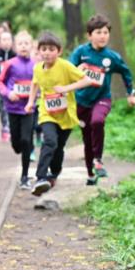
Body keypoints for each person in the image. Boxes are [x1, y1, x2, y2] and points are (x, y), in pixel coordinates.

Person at [69, 14, 135, 185]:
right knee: (87, 139)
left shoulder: (112, 57)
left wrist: (131, 93)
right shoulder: (81, 52)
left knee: (97, 121)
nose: (102, 36)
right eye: (98, 32)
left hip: (102, 99)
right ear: (89, 35)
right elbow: (68, 71)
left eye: (106, 32)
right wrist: (78, 68)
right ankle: (91, 174)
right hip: (82, 101)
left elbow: (125, 72)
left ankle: (98, 160)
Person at [25, 31, 95, 196]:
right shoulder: (37, 68)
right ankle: (41, 177)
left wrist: (66, 89)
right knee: (49, 141)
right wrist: (30, 102)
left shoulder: (64, 66)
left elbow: (87, 80)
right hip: (47, 113)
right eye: (44, 49)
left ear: (59, 51)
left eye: (51, 49)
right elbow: (35, 84)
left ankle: (54, 173)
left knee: (58, 148)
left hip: (66, 114)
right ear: (39, 51)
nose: (47, 52)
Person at [0, 30, 37, 189]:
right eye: (20, 44)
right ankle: (17, 146)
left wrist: (38, 94)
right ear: (15, 46)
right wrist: (8, 93)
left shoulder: (36, 65)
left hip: (28, 109)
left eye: (26, 43)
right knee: (16, 144)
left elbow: (40, 83)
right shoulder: (10, 64)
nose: (23, 46)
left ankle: (25, 176)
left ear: (31, 45)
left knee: (27, 141)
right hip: (13, 108)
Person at [0, 29, 15, 142]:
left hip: (12, 87)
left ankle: (11, 127)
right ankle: (5, 127)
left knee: (11, 107)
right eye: (4, 39)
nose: (6, 42)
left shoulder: (15, 55)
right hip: (0, 86)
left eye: (8, 39)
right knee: (2, 108)